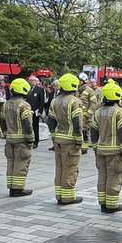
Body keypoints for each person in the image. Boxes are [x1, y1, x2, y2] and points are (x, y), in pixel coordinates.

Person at [47, 73, 85, 205]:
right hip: (71, 142)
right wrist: (79, 141)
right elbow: (77, 124)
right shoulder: (75, 102)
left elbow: (50, 121)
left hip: (58, 140)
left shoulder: (55, 101)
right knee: (70, 169)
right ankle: (68, 197)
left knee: (60, 168)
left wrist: (53, 136)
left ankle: (59, 195)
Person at [93, 81, 122, 213]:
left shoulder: (98, 112)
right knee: (114, 178)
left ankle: (102, 203)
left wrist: (95, 147)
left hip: (101, 150)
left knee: (102, 176)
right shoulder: (119, 112)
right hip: (114, 152)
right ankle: (112, 205)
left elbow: (93, 131)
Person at [1, 77, 35, 197]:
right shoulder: (24, 105)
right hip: (21, 140)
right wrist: (30, 139)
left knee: (11, 163)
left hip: (10, 139)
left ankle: (11, 187)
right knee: (21, 164)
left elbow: (2, 121)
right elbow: (27, 124)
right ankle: (18, 189)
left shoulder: (6, 104)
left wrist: (5, 134)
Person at [26, 75, 46, 148]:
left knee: (35, 126)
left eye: (33, 81)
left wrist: (40, 110)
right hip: (28, 110)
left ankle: (36, 141)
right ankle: (29, 139)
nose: (31, 82)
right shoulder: (27, 89)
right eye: (30, 81)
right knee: (28, 125)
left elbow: (42, 101)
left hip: (35, 110)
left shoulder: (39, 89)